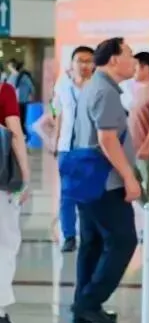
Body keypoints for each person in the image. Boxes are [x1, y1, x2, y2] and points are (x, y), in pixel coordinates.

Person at [70, 37, 140, 323]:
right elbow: (107, 139)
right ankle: (88, 302)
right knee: (124, 240)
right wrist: (129, 178)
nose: (134, 61)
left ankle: (83, 305)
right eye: (130, 55)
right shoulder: (105, 91)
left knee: (93, 243)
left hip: (86, 180)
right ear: (113, 59)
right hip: (105, 183)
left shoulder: (93, 87)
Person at [53, 46, 95, 252]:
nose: (84, 65)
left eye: (88, 61)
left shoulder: (98, 87)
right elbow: (58, 114)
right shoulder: (62, 86)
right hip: (67, 148)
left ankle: (89, 236)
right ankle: (69, 235)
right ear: (72, 63)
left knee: (91, 195)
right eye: (80, 60)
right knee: (67, 195)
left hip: (91, 149)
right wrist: (55, 141)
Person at [0, 79, 31, 323]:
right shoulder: (4, 90)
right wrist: (25, 177)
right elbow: (15, 133)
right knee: (3, 244)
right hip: (1, 184)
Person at [129, 52, 149, 200]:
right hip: (133, 149)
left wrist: (146, 146)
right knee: (133, 185)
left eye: (135, 67)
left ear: (145, 68)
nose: (132, 70)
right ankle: (145, 208)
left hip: (148, 151)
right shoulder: (136, 89)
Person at [5, 60, 34, 129]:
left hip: (20, 101)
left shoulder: (20, 76)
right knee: (21, 119)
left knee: (20, 119)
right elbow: (31, 88)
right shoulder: (21, 76)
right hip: (21, 101)